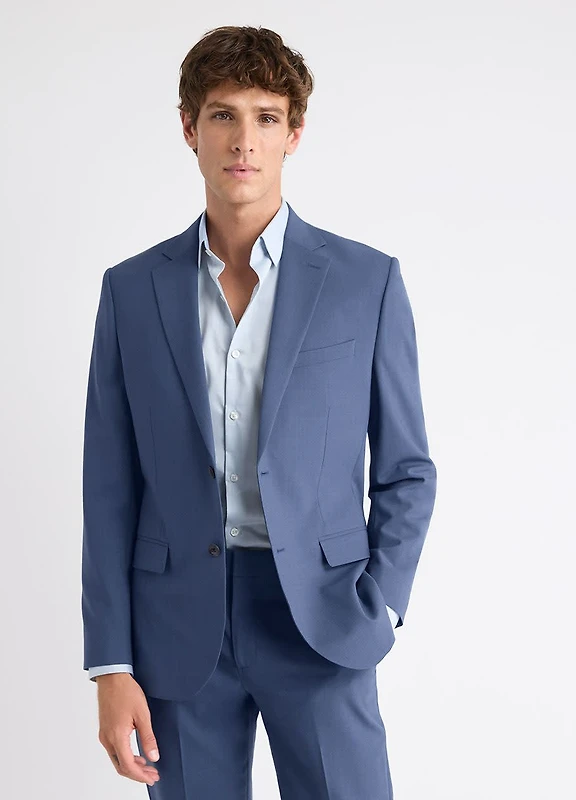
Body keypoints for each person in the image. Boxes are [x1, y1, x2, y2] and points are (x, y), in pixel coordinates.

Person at [81, 24, 437, 799]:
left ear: (293, 134)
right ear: (189, 128)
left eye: (266, 117)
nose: (244, 140)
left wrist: (382, 606)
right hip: (178, 628)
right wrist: (110, 662)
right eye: (222, 115)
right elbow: (108, 486)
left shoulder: (365, 281)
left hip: (323, 619)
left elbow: (408, 467)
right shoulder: (131, 292)